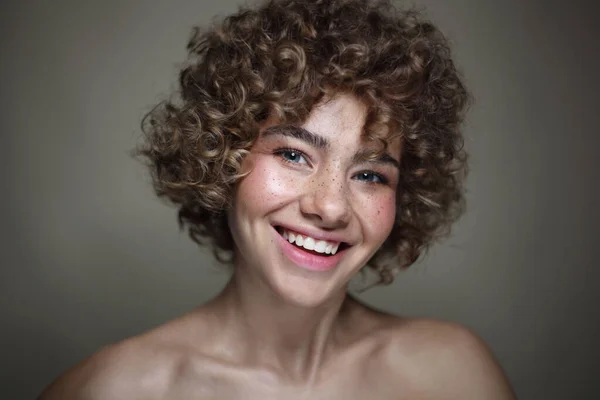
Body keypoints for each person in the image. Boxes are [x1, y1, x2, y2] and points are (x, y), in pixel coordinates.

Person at [39, 0, 516, 398]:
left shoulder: (454, 375)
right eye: (293, 154)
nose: (330, 207)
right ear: (223, 156)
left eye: (370, 174)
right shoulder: (113, 390)